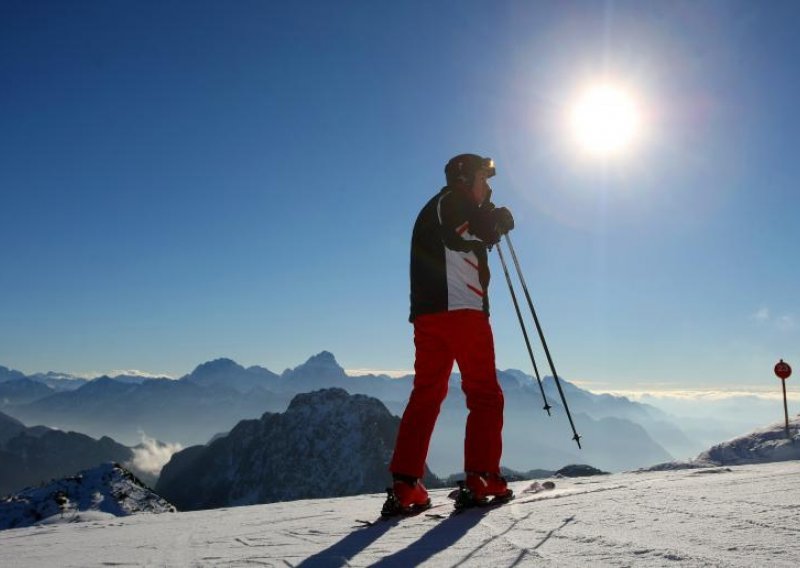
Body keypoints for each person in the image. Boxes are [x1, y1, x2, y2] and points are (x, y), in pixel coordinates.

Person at [383, 153, 515, 515]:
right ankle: (483, 477)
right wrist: (495, 224)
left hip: (428, 318)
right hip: (462, 313)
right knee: (485, 394)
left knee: (426, 394)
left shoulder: (436, 206)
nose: (487, 186)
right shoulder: (451, 202)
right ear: (464, 179)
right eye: (482, 179)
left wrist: (488, 218)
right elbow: (462, 232)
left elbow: (462, 233)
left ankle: (407, 484)